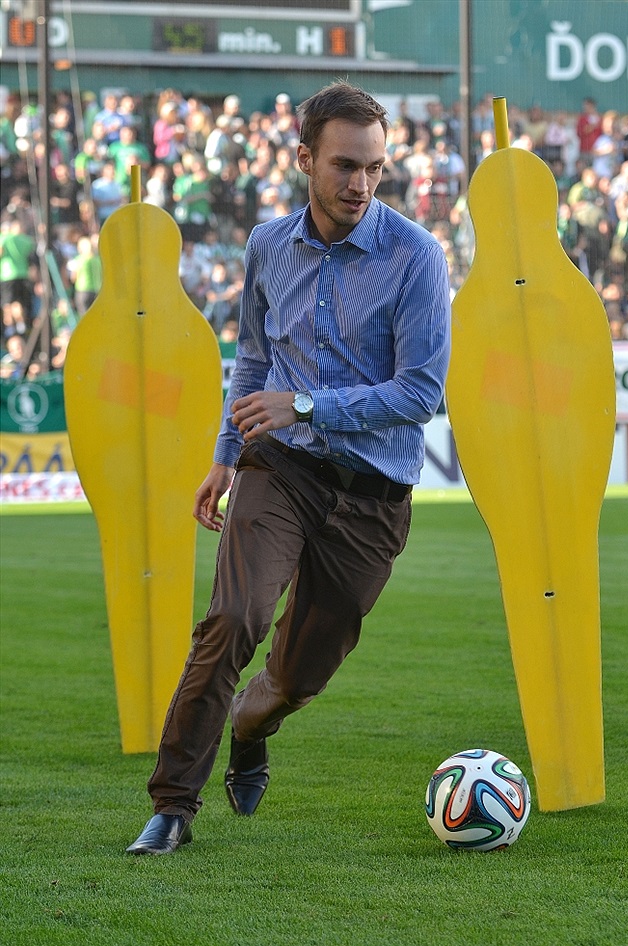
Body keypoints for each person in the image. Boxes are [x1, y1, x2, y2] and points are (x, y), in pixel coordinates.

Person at [126, 81, 451, 856]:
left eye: (375, 169)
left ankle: (250, 727)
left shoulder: (415, 256)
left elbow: (421, 391)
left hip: (373, 497)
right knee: (232, 620)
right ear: (305, 158)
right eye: (344, 165)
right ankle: (173, 806)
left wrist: (304, 405)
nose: (361, 185)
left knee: (297, 680)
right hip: (281, 471)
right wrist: (226, 456)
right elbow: (253, 357)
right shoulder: (267, 245)